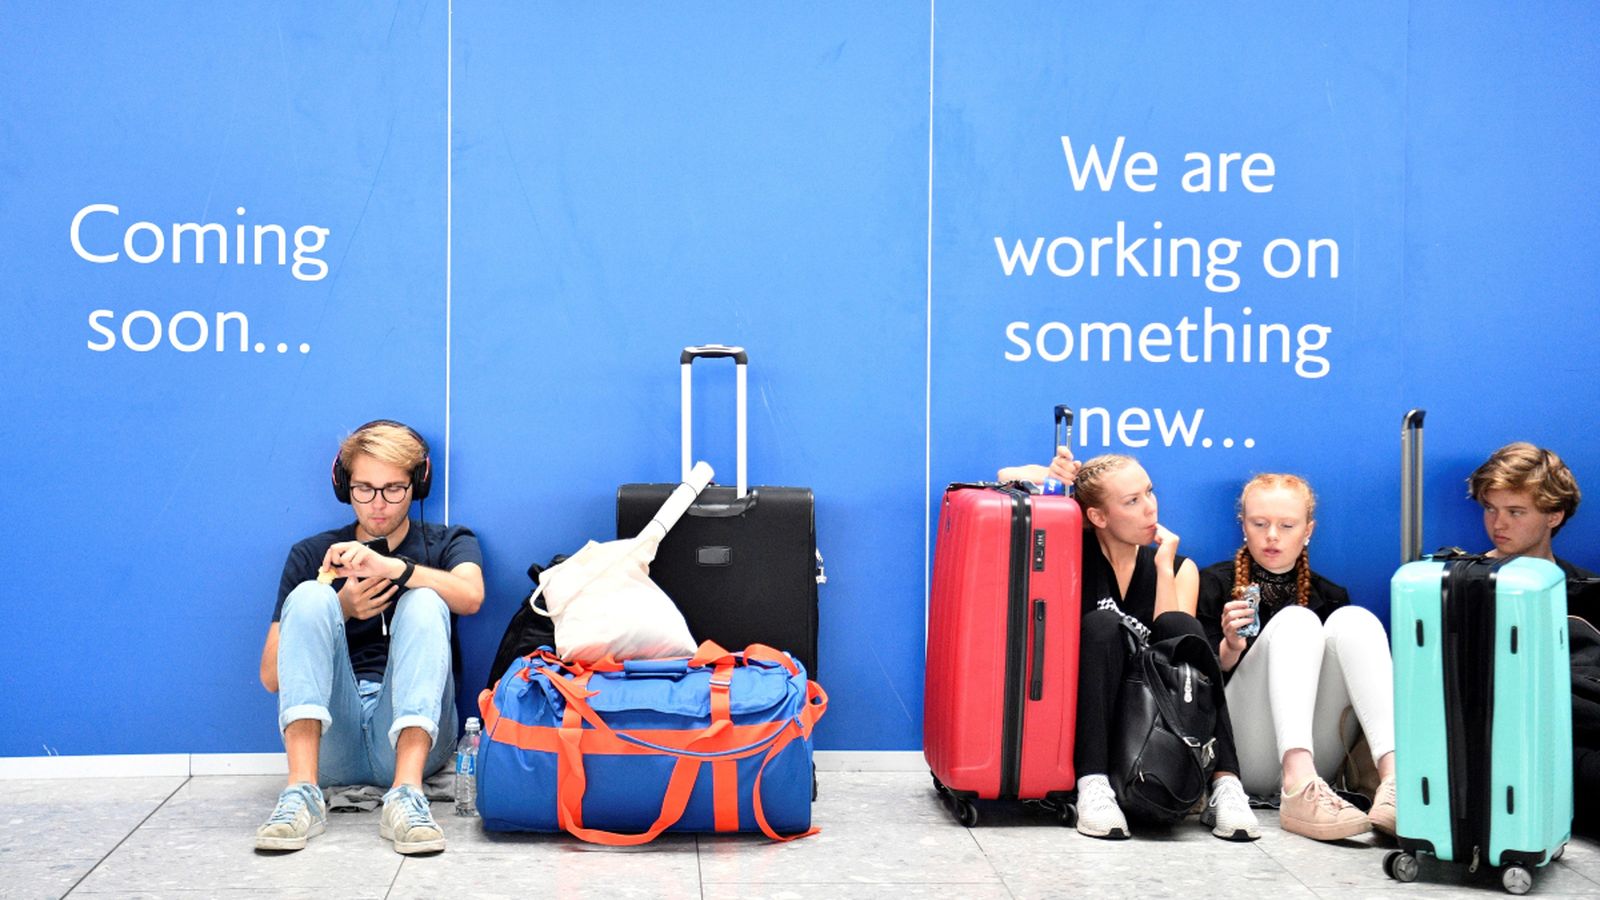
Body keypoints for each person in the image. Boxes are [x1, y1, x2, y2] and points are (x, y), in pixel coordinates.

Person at [1000, 450, 1260, 841]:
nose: (1149, 508)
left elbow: (1172, 662)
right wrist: (1052, 476)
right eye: (1132, 501)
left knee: (1181, 626)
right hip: (1086, 720)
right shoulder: (1068, 554)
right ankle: (1093, 785)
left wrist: (1162, 569)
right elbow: (1007, 474)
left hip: (1154, 722)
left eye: (1149, 493)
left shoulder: (1176, 567)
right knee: (1103, 626)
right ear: (1098, 517)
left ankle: (1225, 785)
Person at [255, 421, 484, 854]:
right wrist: (340, 607)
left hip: (410, 733)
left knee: (425, 600)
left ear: (417, 485)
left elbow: (471, 596)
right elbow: (270, 676)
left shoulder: (449, 542)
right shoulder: (311, 552)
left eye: (393, 489)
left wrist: (394, 569)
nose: (378, 504)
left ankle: (407, 795)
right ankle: (301, 792)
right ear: (345, 486)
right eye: (364, 488)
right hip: (334, 738)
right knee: (310, 594)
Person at [1195, 474, 1396, 843]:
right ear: (1243, 526)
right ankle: (1298, 782)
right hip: (1241, 755)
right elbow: (1197, 690)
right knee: (1297, 621)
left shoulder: (1331, 594)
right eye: (1260, 524)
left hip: (1319, 752)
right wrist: (1230, 647)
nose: (1272, 535)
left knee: (1357, 621)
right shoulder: (1212, 583)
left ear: (1308, 530)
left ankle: (1395, 782)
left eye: (1286, 525)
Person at [1467, 442, 1598, 835]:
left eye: (1515, 512)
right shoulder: (1462, 587)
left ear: (1554, 515)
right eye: (1491, 509)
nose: (1498, 524)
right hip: (1524, 749)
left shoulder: (1587, 591)